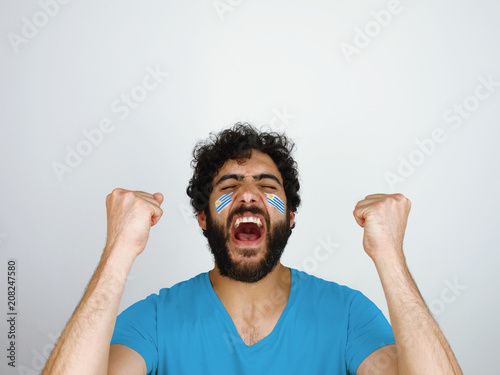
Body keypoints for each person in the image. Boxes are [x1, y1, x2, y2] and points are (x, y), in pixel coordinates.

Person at [43, 123, 463, 374]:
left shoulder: (348, 315)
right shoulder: (155, 319)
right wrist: (120, 249)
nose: (248, 195)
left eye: (267, 185)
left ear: (290, 216)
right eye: (229, 186)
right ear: (204, 218)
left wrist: (389, 255)